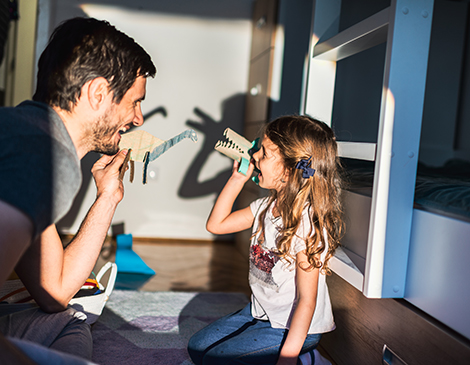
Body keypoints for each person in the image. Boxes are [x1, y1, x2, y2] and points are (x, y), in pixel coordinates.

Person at [0, 17, 156, 363]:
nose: (138, 118)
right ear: (98, 93)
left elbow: (55, 291)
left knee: (67, 318)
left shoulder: (24, 134)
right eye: (135, 101)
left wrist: (108, 197)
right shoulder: (44, 156)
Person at [187, 115, 343, 365]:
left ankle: (308, 359)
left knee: (217, 360)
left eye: (264, 153)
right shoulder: (263, 207)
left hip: (296, 328)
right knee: (197, 349)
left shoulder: (307, 225)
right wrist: (237, 178)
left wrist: (288, 358)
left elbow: (307, 300)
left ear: (289, 169)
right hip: (259, 313)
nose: (254, 156)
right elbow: (215, 225)